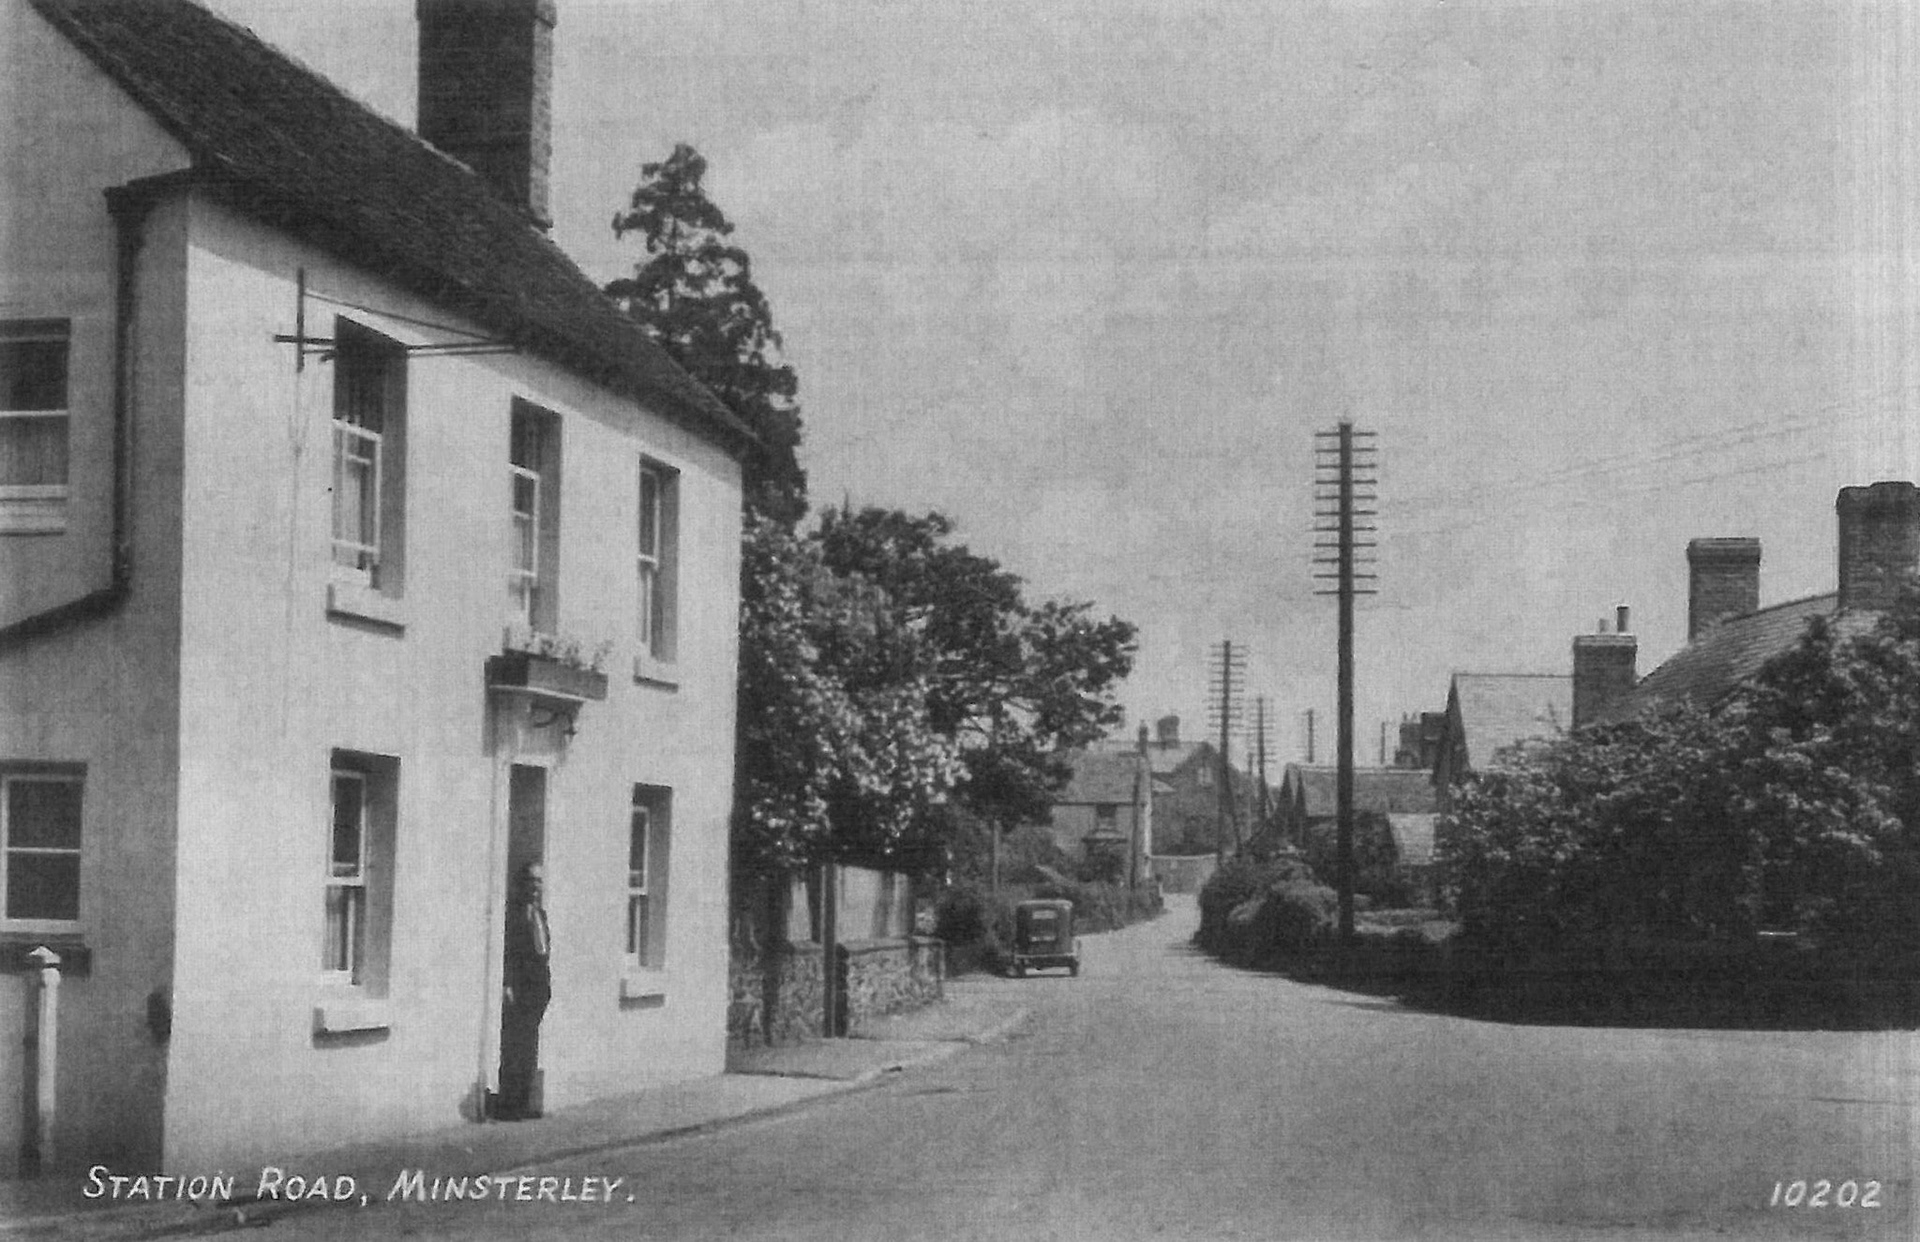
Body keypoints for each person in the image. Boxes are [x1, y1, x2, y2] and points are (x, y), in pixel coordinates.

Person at [497, 860, 551, 1120]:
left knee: (530, 1045)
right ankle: (511, 1104)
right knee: (515, 1045)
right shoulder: (514, 914)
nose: (535, 887)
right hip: (519, 988)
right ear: (522, 884)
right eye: (531, 882)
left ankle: (525, 1101)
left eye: (539, 882)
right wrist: (507, 984)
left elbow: (543, 953)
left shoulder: (541, 914)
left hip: (538, 989)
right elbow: (507, 952)